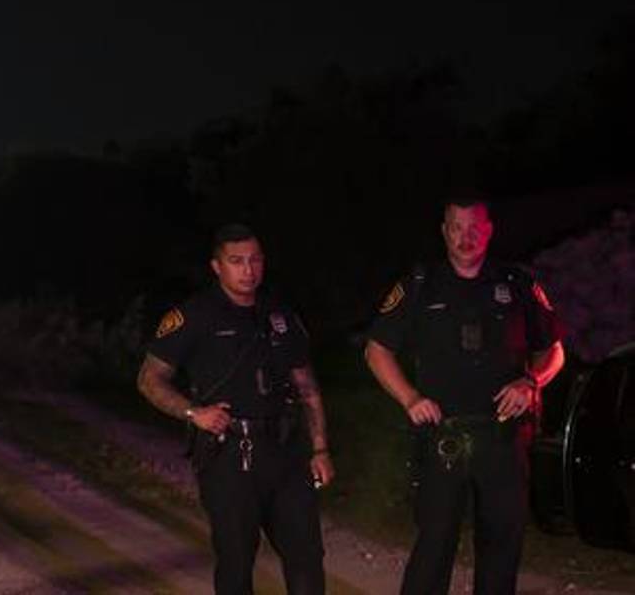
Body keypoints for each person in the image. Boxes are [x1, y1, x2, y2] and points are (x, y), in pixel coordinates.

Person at [365, 197, 566, 595]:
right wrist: (409, 399)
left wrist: (532, 381)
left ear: (489, 230)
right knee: (434, 546)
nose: (465, 237)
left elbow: (554, 350)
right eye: (456, 227)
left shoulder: (516, 283)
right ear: (443, 231)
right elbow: (376, 350)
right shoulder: (421, 284)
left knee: (501, 547)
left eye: (474, 227)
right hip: (443, 438)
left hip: (504, 438)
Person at [138, 223, 333, 595]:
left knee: (306, 555)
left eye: (255, 260)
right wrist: (194, 413)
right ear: (217, 266)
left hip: (286, 451)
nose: (248, 270)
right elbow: (149, 379)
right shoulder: (195, 315)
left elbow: (307, 387)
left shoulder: (279, 314)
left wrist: (320, 448)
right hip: (229, 456)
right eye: (237, 261)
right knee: (236, 560)